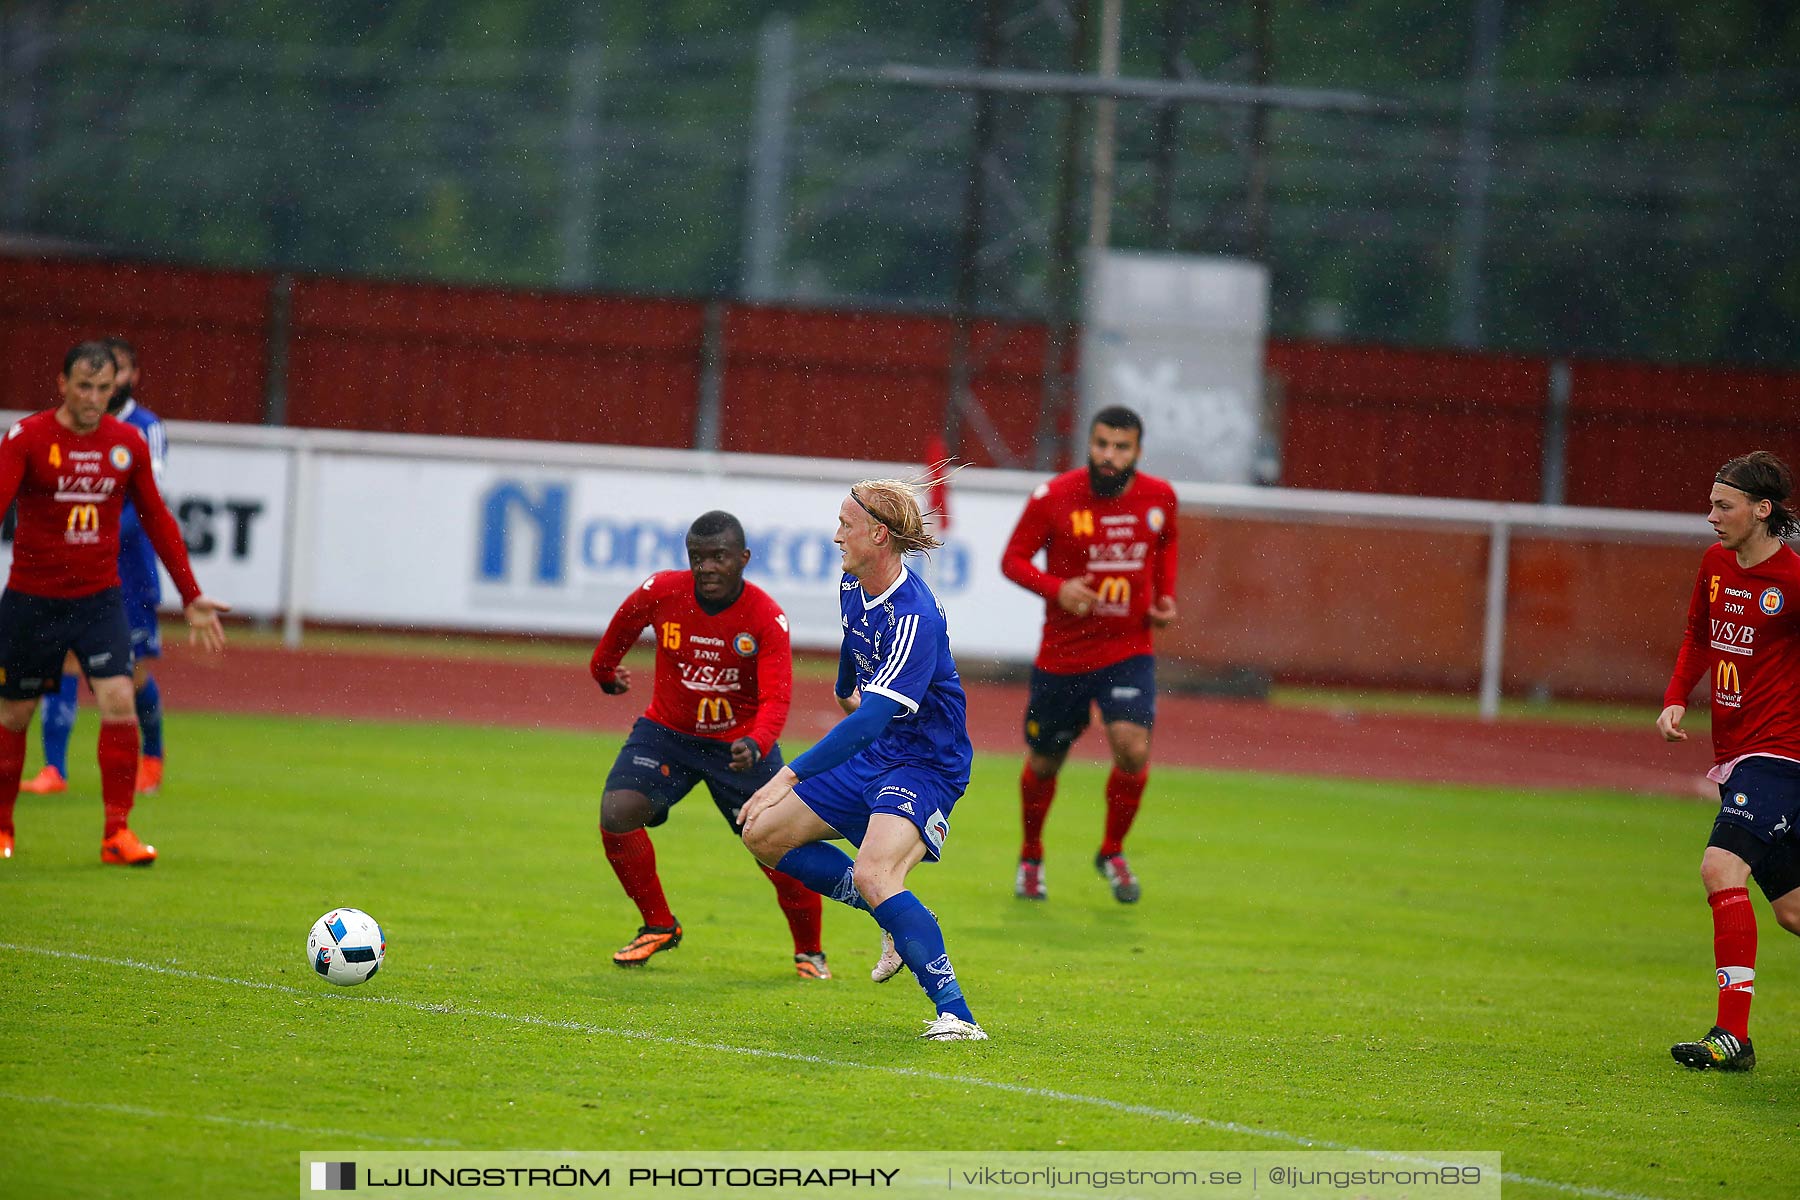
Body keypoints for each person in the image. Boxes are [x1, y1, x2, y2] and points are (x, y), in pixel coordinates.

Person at [739, 478, 985, 1041]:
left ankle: (958, 1016)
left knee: (877, 873)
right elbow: (854, 648)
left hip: (925, 763)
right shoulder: (854, 583)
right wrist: (847, 687)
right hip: (879, 752)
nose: (835, 537)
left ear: (879, 533)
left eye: (846, 526)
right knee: (762, 834)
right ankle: (894, 914)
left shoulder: (914, 615)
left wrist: (788, 773)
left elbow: (872, 719)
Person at [0, 342, 228, 864]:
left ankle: (116, 835)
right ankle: (3, 828)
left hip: (99, 600)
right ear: (61, 384)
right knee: (14, 713)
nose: (93, 398)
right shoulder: (27, 438)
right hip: (32, 600)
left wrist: (191, 596)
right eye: (84, 386)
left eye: (103, 389)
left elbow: (157, 519)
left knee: (119, 700)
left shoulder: (126, 444)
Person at [588, 510, 829, 979]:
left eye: (719, 557)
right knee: (617, 814)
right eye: (697, 557)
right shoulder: (660, 592)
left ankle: (810, 953)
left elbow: (776, 697)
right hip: (667, 735)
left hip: (739, 748)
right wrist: (603, 671)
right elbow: (620, 630)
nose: (707, 568)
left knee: (779, 848)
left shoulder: (765, 616)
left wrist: (757, 743)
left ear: (743, 558)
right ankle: (658, 924)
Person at [999, 404, 1179, 903]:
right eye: (1101, 444)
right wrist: (1058, 589)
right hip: (1064, 656)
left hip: (1128, 648)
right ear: (1090, 443)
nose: (1109, 455)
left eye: (1120, 447)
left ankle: (1112, 849)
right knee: (1045, 762)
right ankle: (1032, 854)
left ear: (1137, 452)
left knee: (1133, 747)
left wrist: (1164, 596)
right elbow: (1012, 560)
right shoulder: (1054, 497)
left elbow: (1165, 543)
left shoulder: (1160, 497)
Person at [1659, 450, 1800, 1072]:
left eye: (1724, 505)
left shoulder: (1794, 583)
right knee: (1793, 910)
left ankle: (1731, 1036)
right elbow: (1698, 635)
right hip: (1737, 754)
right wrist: (1674, 700)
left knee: (1720, 868)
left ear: (1761, 509)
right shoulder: (1716, 564)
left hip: (1782, 756)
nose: (1710, 516)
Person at [21, 337, 171, 798]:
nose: (107, 385)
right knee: (63, 661)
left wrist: (90, 529)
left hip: (129, 572)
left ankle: (153, 755)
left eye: (119, 373)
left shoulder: (145, 429)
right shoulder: (64, 431)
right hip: (76, 570)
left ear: (130, 378)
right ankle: (55, 768)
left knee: (132, 675)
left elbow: (147, 507)